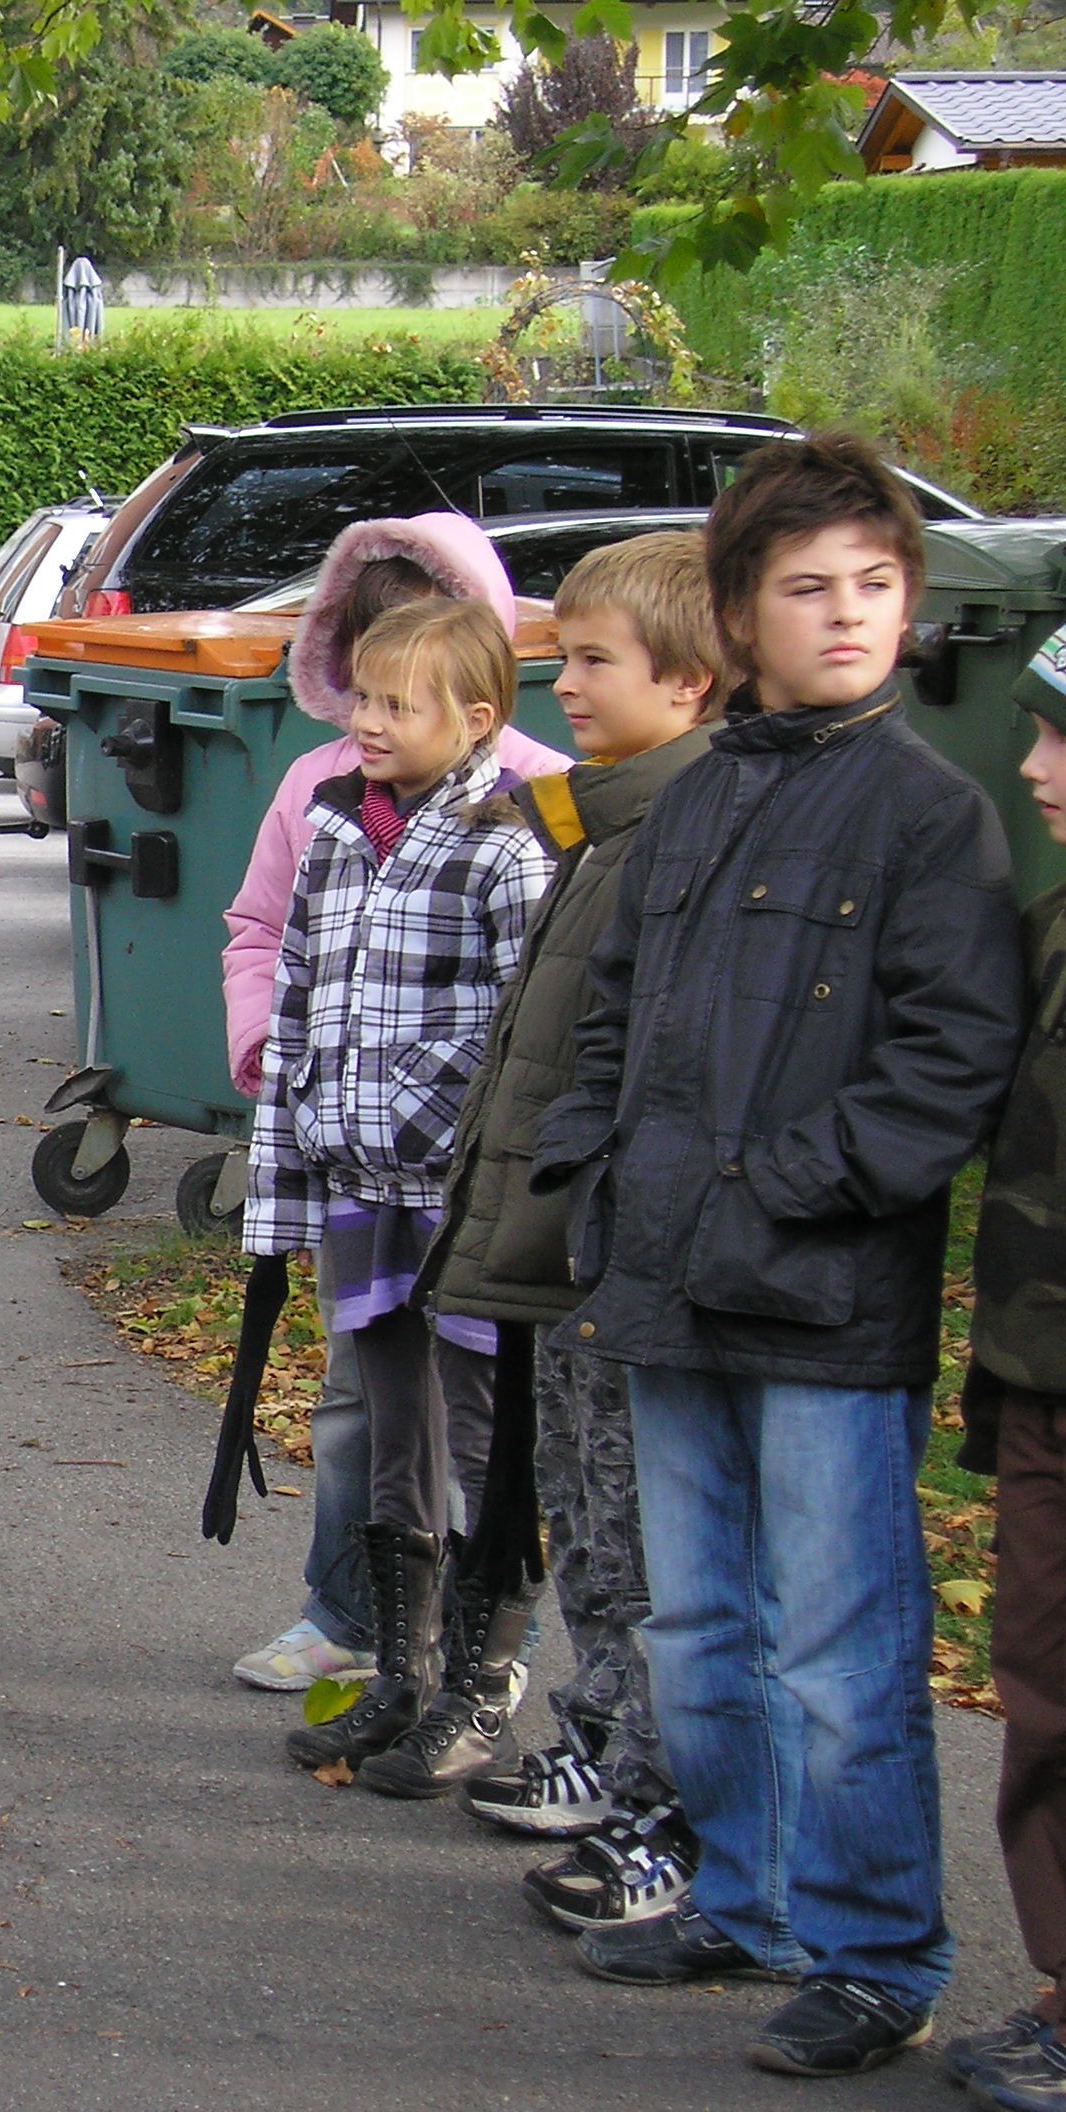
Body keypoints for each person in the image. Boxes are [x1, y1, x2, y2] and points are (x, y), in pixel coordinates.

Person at [535, 435, 1023, 2078]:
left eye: (876, 585)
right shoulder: (698, 797)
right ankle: (743, 1898)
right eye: (808, 588)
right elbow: (615, 1012)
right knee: (698, 1627)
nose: (848, 614)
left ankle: (878, 1954)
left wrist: (788, 1186)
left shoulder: (929, 816)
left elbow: (951, 1060)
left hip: (823, 1295)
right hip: (665, 1279)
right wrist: (599, 1168)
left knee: (839, 1653)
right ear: (740, 617)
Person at [423, 533, 720, 1908]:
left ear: (692, 678)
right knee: (586, 1515)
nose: (568, 687)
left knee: (639, 1532)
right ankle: (600, 1739)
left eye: (594, 661)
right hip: (566, 1243)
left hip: (617, 1247)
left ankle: (657, 1783)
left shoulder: (677, 831)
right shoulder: (602, 820)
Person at [223, 515, 567, 1694]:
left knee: (476, 1413)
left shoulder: (531, 804)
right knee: (362, 1407)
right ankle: (360, 1625)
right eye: (360, 678)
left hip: (460, 1185)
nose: (369, 716)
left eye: (398, 691)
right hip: (353, 1171)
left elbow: (537, 998)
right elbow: (265, 934)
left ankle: (480, 1656)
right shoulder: (320, 795)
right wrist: (273, 1055)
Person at [941, 628, 1066, 2110]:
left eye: (1060, 736)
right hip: (1041, 1375)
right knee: (1043, 1682)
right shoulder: (1051, 928)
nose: (1030, 765)